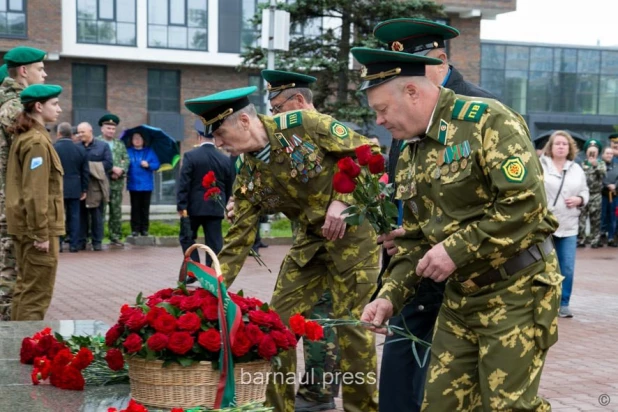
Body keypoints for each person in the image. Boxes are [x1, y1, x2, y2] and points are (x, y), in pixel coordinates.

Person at [352, 46, 562, 411]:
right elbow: (416, 240)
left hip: (516, 291)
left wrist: (455, 249)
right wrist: (389, 296)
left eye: (382, 110)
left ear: (412, 92)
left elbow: (526, 204)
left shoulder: (488, 121)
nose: (379, 122)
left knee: (508, 406)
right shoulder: (412, 149)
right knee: (440, 404)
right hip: (459, 298)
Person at [185, 86, 380, 412]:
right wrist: (211, 286)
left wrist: (343, 201)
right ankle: (278, 408)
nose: (218, 144)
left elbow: (369, 150)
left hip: (352, 239)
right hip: (310, 245)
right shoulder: (245, 171)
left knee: (351, 329)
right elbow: (239, 239)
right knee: (277, 328)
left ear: (244, 121)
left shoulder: (304, 124)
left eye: (220, 133)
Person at [370, 18, 499, 412]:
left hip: (468, 276)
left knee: (446, 390)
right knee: (396, 378)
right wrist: (402, 231)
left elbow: (514, 204)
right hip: (414, 268)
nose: (405, 82)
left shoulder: (484, 112)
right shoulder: (406, 121)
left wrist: (449, 245)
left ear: (440, 62)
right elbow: (409, 194)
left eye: (412, 68)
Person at [262, 69, 340, 412]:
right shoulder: (292, 137)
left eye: (278, 108)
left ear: (298, 101)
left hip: (336, 243)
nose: (275, 116)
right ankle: (314, 390)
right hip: (307, 241)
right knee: (306, 313)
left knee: (322, 314)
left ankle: (319, 391)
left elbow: (360, 173)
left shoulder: (326, 131)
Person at [5, 84, 63, 320]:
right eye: (55, 104)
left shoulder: (29, 136)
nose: (59, 109)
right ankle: (23, 351)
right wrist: (40, 233)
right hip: (38, 228)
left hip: (27, 226)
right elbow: (35, 191)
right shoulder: (37, 142)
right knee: (36, 294)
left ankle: (14, 347)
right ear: (39, 106)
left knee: (25, 289)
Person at [0, 46, 47, 321]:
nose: (44, 73)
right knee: (12, 278)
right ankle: (7, 347)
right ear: (23, 71)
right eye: (40, 69)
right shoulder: (16, 108)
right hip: (12, 204)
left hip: (9, 201)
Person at [540, 131, 588, 319]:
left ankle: (564, 303)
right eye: (557, 143)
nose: (561, 146)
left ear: (570, 148)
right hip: (546, 226)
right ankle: (544, 301)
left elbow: (585, 191)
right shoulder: (541, 166)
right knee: (544, 266)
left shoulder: (576, 168)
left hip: (569, 226)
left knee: (567, 266)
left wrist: (579, 199)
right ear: (551, 147)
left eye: (565, 144)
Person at [177, 120, 232, 269]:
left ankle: (194, 268)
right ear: (214, 137)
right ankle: (211, 271)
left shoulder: (190, 156)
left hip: (193, 208)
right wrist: (226, 205)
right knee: (214, 242)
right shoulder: (225, 159)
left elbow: (184, 184)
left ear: (198, 137)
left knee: (187, 237)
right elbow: (229, 185)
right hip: (215, 207)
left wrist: (181, 207)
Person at [53, 122, 89, 253]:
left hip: (58, 187)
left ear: (59, 133)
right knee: (74, 216)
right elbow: (85, 171)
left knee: (58, 215)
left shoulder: (53, 148)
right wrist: (84, 189)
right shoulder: (80, 150)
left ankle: (59, 244)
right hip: (75, 187)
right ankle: (74, 244)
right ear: (71, 134)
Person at [77, 122, 112, 251]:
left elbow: (108, 164)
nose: (80, 135)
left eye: (83, 132)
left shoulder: (103, 146)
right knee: (81, 215)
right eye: (79, 132)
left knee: (97, 216)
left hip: (96, 186)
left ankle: (97, 242)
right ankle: (81, 241)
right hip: (81, 186)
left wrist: (88, 167)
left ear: (90, 131)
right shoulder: (77, 147)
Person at [97, 114, 128, 246]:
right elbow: (94, 160)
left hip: (116, 182)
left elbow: (126, 159)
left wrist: (121, 169)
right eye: (108, 128)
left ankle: (115, 236)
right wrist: (111, 169)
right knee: (99, 212)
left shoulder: (119, 144)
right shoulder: (96, 143)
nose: (111, 131)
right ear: (102, 129)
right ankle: (97, 237)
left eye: (113, 129)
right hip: (100, 182)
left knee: (116, 211)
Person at [126, 132, 160, 237]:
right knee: (135, 208)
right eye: (135, 138)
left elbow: (157, 165)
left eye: (139, 138)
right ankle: (135, 229)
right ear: (131, 140)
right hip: (134, 184)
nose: (137, 140)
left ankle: (144, 229)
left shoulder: (149, 152)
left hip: (146, 185)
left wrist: (148, 165)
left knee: (145, 208)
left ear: (143, 140)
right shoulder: (128, 152)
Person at [577, 139, 606, 248]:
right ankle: (581, 239)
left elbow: (603, 174)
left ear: (598, 153)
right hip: (584, 194)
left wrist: (595, 165)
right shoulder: (582, 163)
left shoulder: (601, 163)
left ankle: (595, 240)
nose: (592, 153)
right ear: (586, 152)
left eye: (595, 151)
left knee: (595, 219)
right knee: (582, 219)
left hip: (596, 195)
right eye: (590, 151)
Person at [601, 146, 617, 247]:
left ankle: (611, 237)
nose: (609, 155)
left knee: (613, 216)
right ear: (603, 154)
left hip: (614, 195)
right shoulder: (599, 165)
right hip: (602, 194)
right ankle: (600, 236)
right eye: (607, 153)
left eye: (611, 153)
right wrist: (607, 185)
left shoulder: (616, 165)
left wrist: (615, 185)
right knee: (601, 216)